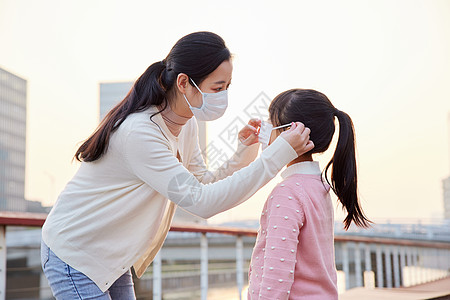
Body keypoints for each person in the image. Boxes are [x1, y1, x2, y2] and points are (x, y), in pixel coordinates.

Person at [40, 32, 314, 299]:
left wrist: (244, 151)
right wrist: (277, 155)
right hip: (76, 253)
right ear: (184, 82)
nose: (223, 96)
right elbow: (201, 203)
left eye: (227, 87)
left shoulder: (186, 124)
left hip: (111, 255)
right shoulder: (141, 133)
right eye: (217, 88)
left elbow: (201, 183)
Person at [247, 89, 371, 299]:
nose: (265, 129)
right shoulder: (318, 186)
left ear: (293, 132)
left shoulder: (287, 193)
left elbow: (276, 281)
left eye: (271, 121)